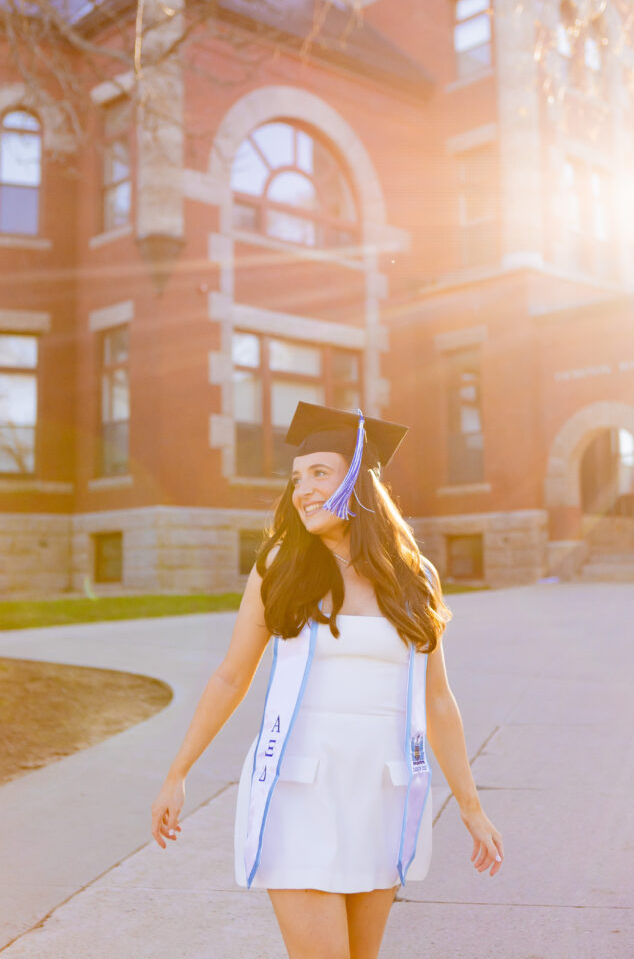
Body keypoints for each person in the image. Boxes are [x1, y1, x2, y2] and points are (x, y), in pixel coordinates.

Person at [151, 402, 504, 959]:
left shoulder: (415, 576)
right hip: (301, 789)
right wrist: (178, 771)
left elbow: (437, 700)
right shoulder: (280, 565)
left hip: (380, 795)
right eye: (297, 478)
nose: (303, 490)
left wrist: (471, 806)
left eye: (319, 473)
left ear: (358, 480)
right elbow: (231, 676)